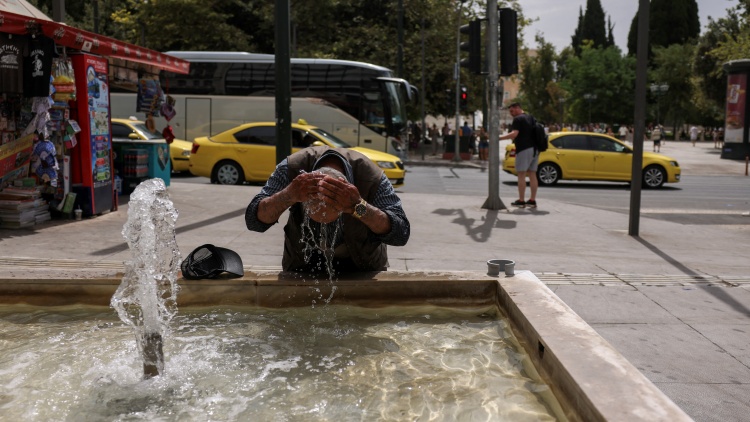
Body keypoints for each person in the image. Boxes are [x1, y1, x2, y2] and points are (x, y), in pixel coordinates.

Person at [245, 146, 410, 273]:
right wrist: (289, 195)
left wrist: (358, 206)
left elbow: (400, 233)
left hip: (363, 265)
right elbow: (254, 221)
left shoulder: (372, 177)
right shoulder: (291, 169)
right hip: (302, 263)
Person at [498, 102, 537, 208]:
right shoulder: (531, 117)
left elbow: (515, 134)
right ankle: (532, 200)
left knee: (521, 175)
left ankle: (521, 200)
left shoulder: (518, 119)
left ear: (518, 108)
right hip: (535, 149)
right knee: (532, 174)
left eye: (512, 111)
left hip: (524, 149)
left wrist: (499, 138)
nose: (511, 113)